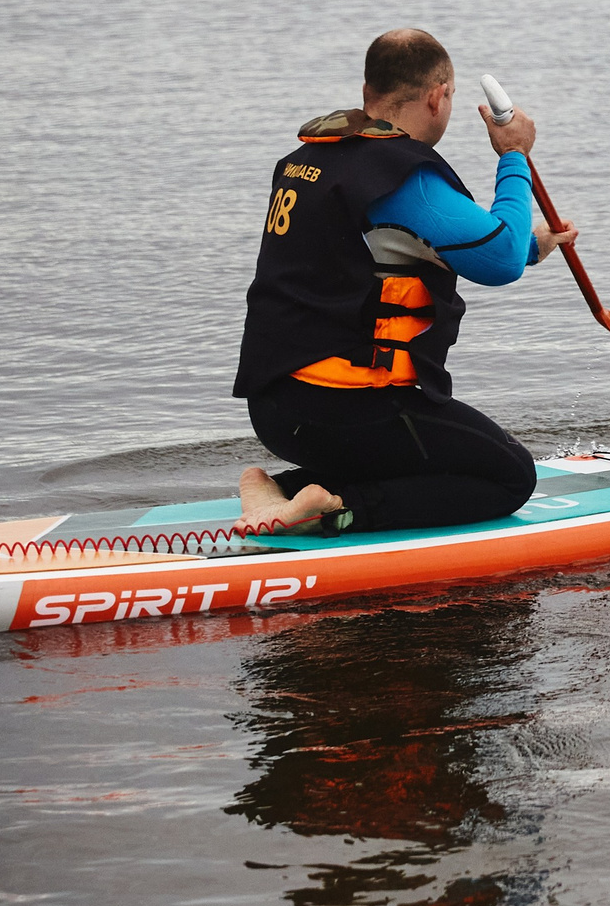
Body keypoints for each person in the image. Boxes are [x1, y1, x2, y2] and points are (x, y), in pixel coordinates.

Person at [229, 28, 577, 536]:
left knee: (419, 451)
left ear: (369, 90)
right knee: (509, 475)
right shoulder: (399, 174)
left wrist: (529, 246)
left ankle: (279, 489)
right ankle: (338, 510)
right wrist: (513, 155)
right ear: (438, 96)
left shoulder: (310, 160)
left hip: (276, 407)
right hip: (343, 408)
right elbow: (498, 260)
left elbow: (402, 245)